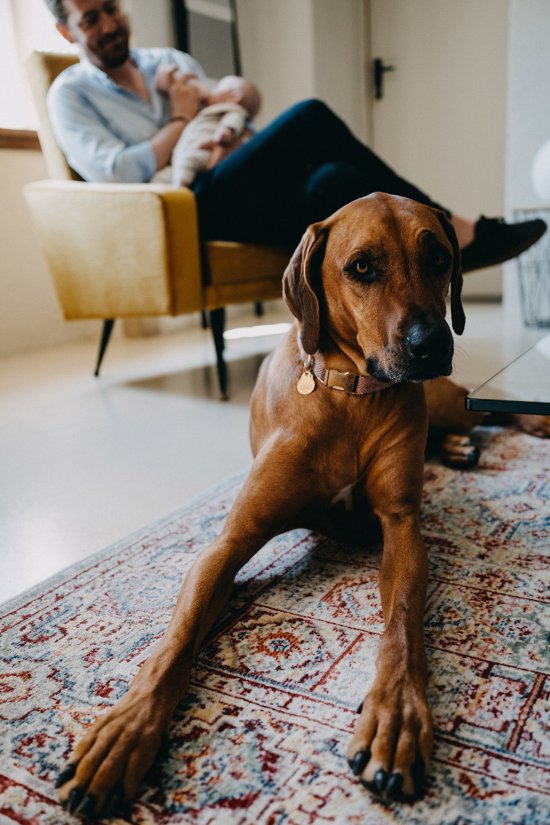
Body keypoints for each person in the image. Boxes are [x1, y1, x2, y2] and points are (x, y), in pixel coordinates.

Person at [45, 0, 545, 268]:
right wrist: (178, 120)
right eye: (91, 19)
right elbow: (115, 172)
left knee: (335, 178)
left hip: (240, 183)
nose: (109, 24)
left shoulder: (167, 62)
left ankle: (398, 314)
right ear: (68, 32)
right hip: (183, 208)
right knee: (309, 116)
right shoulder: (71, 94)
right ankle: (445, 232)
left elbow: (240, 105)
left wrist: (234, 116)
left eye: (111, 8)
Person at [152, 70, 261, 188]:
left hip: (204, 151)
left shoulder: (234, 111)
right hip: (180, 156)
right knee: (160, 178)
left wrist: (226, 131)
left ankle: (181, 189)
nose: (211, 90)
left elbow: (234, 121)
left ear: (234, 96)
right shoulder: (210, 110)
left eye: (216, 88)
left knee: (188, 163)